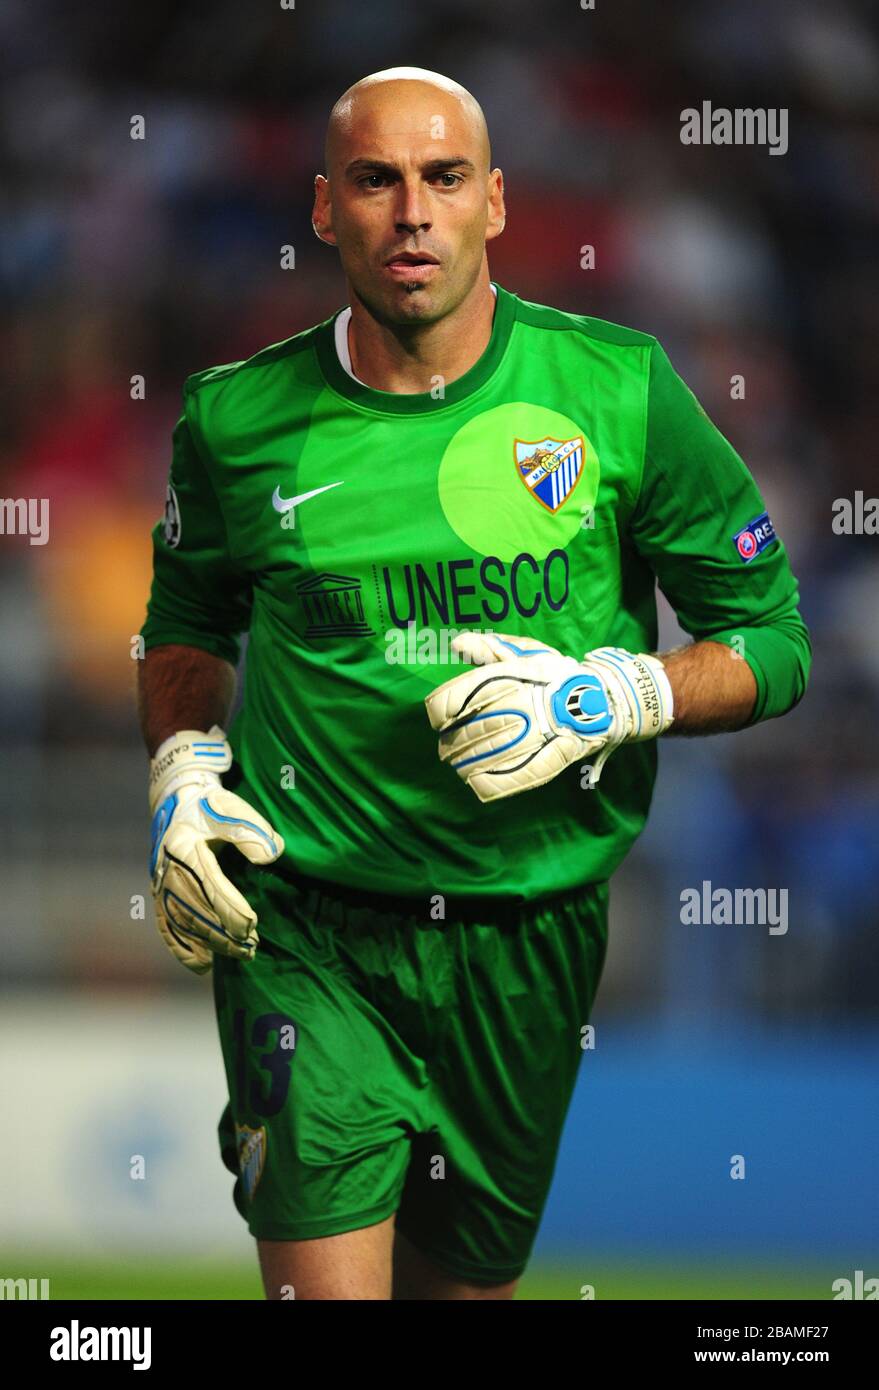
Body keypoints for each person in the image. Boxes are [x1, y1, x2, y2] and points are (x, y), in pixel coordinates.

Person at [137, 66, 811, 1300]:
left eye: (444, 178)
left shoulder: (617, 391)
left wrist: (621, 696)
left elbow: (772, 640)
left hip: (528, 941)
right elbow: (185, 627)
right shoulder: (233, 420)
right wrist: (179, 768)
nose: (412, 212)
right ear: (324, 209)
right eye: (376, 180)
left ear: (495, 202)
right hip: (310, 929)